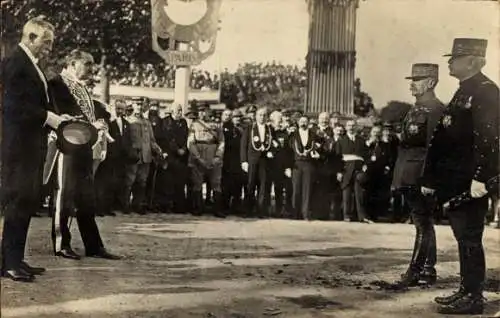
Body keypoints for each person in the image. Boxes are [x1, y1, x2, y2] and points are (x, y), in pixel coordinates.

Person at [422, 38, 499, 315]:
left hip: (471, 179)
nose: (449, 62)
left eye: (455, 58)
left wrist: (481, 177)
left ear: (472, 62)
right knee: (462, 236)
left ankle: (474, 297)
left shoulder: (486, 91)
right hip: (458, 178)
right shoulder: (464, 89)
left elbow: (490, 139)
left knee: (469, 237)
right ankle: (467, 289)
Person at [1, 17, 70, 282]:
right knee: (18, 202)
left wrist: (54, 118)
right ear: (30, 37)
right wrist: (50, 118)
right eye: (46, 42)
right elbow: (13, 107)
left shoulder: (29, 64)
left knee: (25, 202)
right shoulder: (16, 63)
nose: (50, 48)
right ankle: (10, 263)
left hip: (29, 146)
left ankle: (13, 259)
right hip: (19, 148)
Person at [46, 49, 121, 261]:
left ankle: (94, 246)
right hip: (66, 147)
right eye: (86, 64)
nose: (91, 68)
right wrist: (90, 124)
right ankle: (61, 244)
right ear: (72, 63)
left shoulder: (82, 87)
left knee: (87, 199)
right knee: (65, 195)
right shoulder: (56, 84)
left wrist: (99, 123)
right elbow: (61, 117)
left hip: (84, 148)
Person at [391, 63, 444, 288]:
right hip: (408, 173)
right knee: (423, 221)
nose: (412, 84)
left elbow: (436, 148)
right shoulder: (416, 108)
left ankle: (415, 271)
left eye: (418, 79)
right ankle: (427, 269)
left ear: (431, 82)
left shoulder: (436, 109)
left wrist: (429, 179)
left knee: (422, 222)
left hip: (421, 176)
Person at [187, 103, 225, 217]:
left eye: (205, 110)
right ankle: (198, 208)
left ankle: (217, 209)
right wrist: (198, 157)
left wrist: (218, 157)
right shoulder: (194, 125)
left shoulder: (216, 125)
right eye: (200, 111)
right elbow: (191, 143)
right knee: (197, 182)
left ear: (209, 111)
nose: (203, 113)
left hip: (213, 155)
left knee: (216, 183)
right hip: (199, 155)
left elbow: (222, 142)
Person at [336, 120, 372, 223]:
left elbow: (366, 155)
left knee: (359, 193)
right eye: (349, 125)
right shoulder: (341, 140)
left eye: (353, 125)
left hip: (358, 169)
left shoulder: (361, 140)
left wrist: (365, 165)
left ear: (356, 127)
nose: (351, 127)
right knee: (346, 192)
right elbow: (337, 157)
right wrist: (339, 171)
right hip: (346, 169)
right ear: (346, 127)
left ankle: (361, 216)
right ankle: (346, 215)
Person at [240, 107, 273, 218]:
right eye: (260, 115)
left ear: (267, 117)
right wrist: (244, 161)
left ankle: (261, 211)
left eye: (264, 115)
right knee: (250, 185)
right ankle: (247, 211)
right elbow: (243, 146)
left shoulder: (270, 129)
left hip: (265, 162)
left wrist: (271, 152)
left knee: (262, 187)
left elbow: (274, 144)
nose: (262, 117)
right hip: (252, 161)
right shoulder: (250, 128)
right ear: (256, 116)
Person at [289, 116, 321, 220]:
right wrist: (287, 167)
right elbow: (287, 152)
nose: (303, 123)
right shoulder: (292, 135)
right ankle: (295, 213)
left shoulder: (314, 135)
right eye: (301, 121)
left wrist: (317, 153)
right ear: (298, 123)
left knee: (307, 190)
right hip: (296, 164)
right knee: (296, 189)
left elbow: (321, 146)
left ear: (308, 123)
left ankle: (305, 213)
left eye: (305, 121)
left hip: (309, 164)